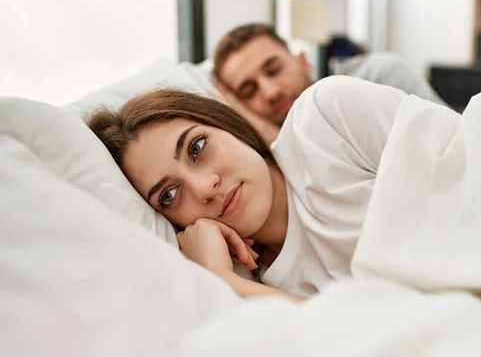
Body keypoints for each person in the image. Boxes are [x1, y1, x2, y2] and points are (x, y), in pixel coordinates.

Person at [87, 75, 405, 302]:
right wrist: (223, 279)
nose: (204, 187)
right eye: (168, 196)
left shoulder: (327, 120)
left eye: (197, 147)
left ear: (226, 124)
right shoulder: (244, 289)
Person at [212, 23, 449, 144]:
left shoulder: (380, 76)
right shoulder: (264, 150)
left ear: (303, 61)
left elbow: (453, 145)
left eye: (274, 70)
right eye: (248, 91)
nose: (270, 92)